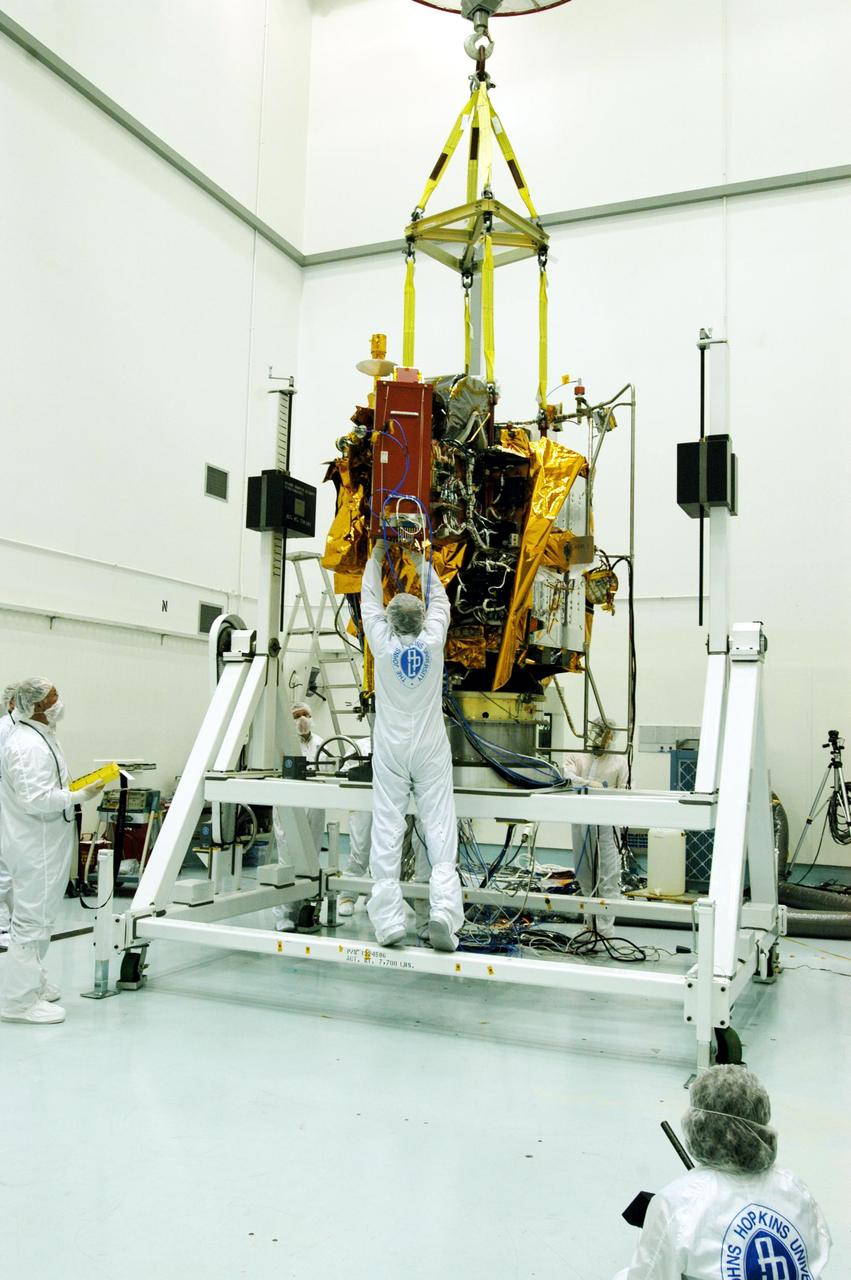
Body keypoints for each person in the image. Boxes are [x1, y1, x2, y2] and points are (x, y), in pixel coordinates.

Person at [614, 1064, 831, 1279]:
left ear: (699, 1125)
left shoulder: (677, 1203)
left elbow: (647, 1275)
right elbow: (817, 1257)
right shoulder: (793, 1186)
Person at [360, 540, 464, 951]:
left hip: (390, 745)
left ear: (390, 622)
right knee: (439, 826)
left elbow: (369, 601)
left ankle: (388, 922)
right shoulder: (433, 640)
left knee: (387, 826)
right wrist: (422, 562)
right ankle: (442, 913)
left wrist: (376, 558)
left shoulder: (382, 646)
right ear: (420, 622)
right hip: (429, 745)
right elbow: (440, 602)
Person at [0, 678, 106, 1025]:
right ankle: (17, 1002)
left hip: (39, 841)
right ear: (37, 706)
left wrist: (72, 789)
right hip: (37, 845)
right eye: (54, 698)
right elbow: (34, 799)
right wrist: (79, 796)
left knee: (38, 920)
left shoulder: (38, 734)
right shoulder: (27, 745)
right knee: (32, 923)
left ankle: (33, 983)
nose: (60, 702)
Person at [562, 717, 628, 936]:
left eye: (603, 733)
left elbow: (626, 792)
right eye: (595, 730)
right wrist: (590, 784)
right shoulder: (578, 756)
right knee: (584, 875)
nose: (597, 736)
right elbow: (567, 777)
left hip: (607, 826)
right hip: (580, 821)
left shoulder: (619, 762)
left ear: (611, 736)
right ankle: (590, 926)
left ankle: (605, 932)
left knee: (608, 877)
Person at [272, 704, 326, 932]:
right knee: (288, 859)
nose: (302, 719)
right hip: (288, 805)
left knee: (311, 858)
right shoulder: (282, 743)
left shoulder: (321, 743)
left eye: (305, 715)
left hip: (314, 807)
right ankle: (284, 915)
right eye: (296, 716)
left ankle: (305, 906)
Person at [0, 683, 17, 945]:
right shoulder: (5, 729)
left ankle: (10, 922)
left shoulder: (26, 731)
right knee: (3, 869)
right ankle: (3, 924)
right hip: (6, 806)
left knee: (13, 870)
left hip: (15, 808)